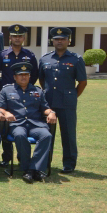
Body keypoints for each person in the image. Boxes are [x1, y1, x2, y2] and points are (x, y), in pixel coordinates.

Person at [0, 62, 57, 183]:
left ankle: (32, 169)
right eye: (20, 75)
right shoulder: (6, 90)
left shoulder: (37, 90)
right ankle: (28, 168)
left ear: (29, 76)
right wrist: (6, 113)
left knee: (46, 136)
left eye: (26, 75)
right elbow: (0, 107)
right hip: (17, 124)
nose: (23, 77)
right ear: (15, 77)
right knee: (20, 135)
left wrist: (51, 112)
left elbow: (44, 108)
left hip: (36, 124)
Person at [38, 27, 87, 174]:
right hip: (49, 103)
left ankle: (69, 164)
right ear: (52, 41)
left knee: (68, 134)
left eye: (63, 39)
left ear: (68, 41)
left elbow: (82, 82)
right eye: (57, 39)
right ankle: (46, 162)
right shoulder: (45, 59)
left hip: (67, 103)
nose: (59, 41)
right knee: (47, 134)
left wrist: (72, 96)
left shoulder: (76, 59)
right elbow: (42, 80)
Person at [0, 24, 38, 167]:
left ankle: (22, 156)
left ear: (24, 38)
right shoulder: (2, 55)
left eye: (20, 36)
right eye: (14, 36)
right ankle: (6, 157)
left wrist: (25, 87)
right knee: (4, 125)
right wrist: (3, 88)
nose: (17, 38)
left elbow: (34, 74)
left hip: (25, 95)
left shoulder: (29, 55)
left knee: (23, 123)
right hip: (6, 95)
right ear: (10, 38)